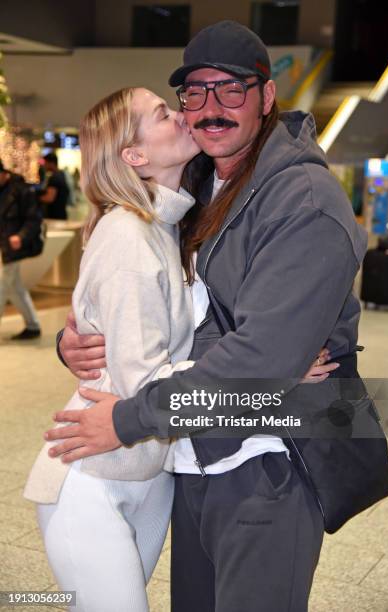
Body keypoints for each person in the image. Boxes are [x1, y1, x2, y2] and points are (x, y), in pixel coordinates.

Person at [45, 21, 367, 612]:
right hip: (192, 457)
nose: (209, 109)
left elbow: (261, 362)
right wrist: (76, 341)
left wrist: (129, 418)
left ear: (268, 98)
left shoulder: (304, 203)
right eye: (193, 94)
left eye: (232, 89)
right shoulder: (191, 183)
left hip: (270, 462)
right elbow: (149, 304)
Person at [24, 86, 201, 612]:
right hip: (91, 482)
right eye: (163, 114)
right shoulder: (129, 235)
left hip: (147, 473)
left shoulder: (164, 227)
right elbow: (141, 383)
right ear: (135, 156)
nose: (183, 115)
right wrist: (272, 373)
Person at [0, 159, 42, 340]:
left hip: (13, 247)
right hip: (4, 246)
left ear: (4, 173)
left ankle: (33, 325)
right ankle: (32, 325)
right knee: (15, 288)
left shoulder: (22, 190)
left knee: (2, 285)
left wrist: (21, 236)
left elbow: (34, 219)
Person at [39, 152, 70, 220]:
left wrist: (35, 198)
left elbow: (49, 198)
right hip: (61, 214)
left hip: (55, 217)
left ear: (51, 163)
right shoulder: (61, 174)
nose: (44, 166)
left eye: (46, 163)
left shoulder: (55, 177)